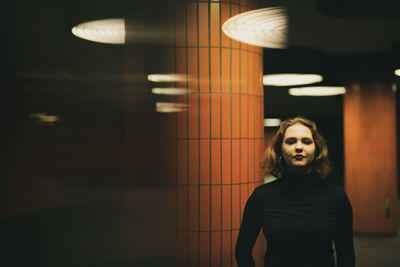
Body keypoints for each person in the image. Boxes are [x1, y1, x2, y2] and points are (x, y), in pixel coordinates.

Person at [235, 116, 355, 267]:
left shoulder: (337, 197)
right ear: (280, 150)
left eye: (306, 141)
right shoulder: (261, 196)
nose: (299, 147)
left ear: (317, 150)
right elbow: (242, 251)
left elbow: (347, 257)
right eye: (290, 141)